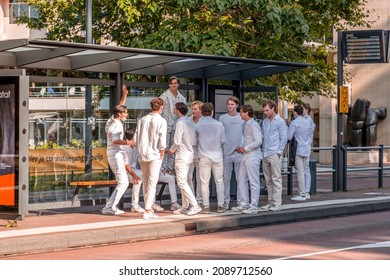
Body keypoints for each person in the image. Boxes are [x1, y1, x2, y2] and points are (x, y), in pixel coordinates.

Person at [134, 97, 167, 219]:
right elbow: (162, 138)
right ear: (161, 107)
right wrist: (162, 151)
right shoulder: (161, 121)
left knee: (146, 182)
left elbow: (137, 137)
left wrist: (139, 151)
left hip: (143, 153)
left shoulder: (142, 119)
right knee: (152, 182)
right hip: (155, 154)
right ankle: (148, 210)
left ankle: (147, 208)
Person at [102, 85, 133, 215]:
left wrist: (124, 95)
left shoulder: (112, 120)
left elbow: (119, 106)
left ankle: (109, 207)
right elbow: (115, 140)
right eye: (125, 112)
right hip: (115, 155)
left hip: (115, 154)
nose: (127, 114)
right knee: (123, 182)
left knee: (123, 182)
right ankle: (109, 207)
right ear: (120, 115)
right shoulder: (116, 125)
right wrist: (128, 142)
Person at [168, 102, 202, 215]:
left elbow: (177, 141)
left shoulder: (180, 123)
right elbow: (194, 140)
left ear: (177, 110)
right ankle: (185, 205)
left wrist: (171, 150)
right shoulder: (190, 121)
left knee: (181, 181)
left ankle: (194, 205)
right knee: (186, 180)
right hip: (190, 153)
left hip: (182, 154)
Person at [195, 102, 226, 213]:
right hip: (217, 155)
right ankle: (221, 205)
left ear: (202, 112)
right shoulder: (219, 124)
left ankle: (206, 206)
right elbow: (223, 140)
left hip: (203, 156)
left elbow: (195, 141)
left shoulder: (197, 125)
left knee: (204, 182)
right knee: (219, 181)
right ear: (212, 111)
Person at [233, 105, 263, 214]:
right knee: (242, 180)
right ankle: (244, 204)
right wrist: (241, 147)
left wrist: (244, 148)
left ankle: (253, 206)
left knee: (253, 181)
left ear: (246, 113)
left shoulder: (253, 125)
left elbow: (258, 140)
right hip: (246, 155)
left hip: (253, 156)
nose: (240, 114)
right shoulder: (246, 124)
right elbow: (247, 140)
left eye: (241, 112)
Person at [219, 96, 245, 210]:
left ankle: (240, 202)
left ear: (237, 105)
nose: (230, 106)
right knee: (226, 179)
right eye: (228, 104)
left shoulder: (241, 118)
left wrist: (243, 147)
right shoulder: (222, 118)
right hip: (226, 152)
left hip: (239, 153)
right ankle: (225, 201)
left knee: (240, 179)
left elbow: (245, 133)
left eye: (232, 104)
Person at [261, 100, 287, 212]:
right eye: (264, 111)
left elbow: (284, 138)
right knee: (268, 180)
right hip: (265, 153)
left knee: (276, 179)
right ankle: (270, 202)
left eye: (267, 110)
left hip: (274, 153)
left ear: (273, 109)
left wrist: (278, 152)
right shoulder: (265, 122)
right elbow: (263, 137)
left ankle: (277, 203)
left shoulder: (280, 122)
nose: (265, 112)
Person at [160, 76, 186, 174]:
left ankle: (170, 168)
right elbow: (161, 111)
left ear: (178, 84)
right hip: (166, 125)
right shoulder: (164, 96)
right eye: (172, 83)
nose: (174, 85)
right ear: (169, 85)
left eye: (175, 83)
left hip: (177, 125)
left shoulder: (182, 98)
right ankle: (163, 168)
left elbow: (184, 112)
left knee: (173, 146)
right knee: (165, 147)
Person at [288, 105, 312, 201]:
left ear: (295, 112)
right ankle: (306, 191)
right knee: (306, 170)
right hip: (307, 149)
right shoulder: (307, 122)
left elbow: (289, 136)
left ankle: (301, 194)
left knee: (300, 172)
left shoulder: (295, 122)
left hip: (298, 150)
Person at [123, 128, 144, 213]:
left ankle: (150, 202)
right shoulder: (125, 148)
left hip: (134, 170)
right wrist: (134, 175)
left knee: (147, 176)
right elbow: (126, 165)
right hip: (126, 172)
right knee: (139, 179)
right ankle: (134, 205)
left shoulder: (136, 146)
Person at [188, 100, 203, 206]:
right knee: (188, 176)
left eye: (195, 109)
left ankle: (199, 199)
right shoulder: (188, 120)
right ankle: (191, 198)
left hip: (200, 152)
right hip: (189, 152)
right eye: (192, 109)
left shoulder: (204, 122)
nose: (193, 111)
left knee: (200, 178)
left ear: (200, 110)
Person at [302, 103, 316, 199]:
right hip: (305, 147)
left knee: (305, 169)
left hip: (305, 147)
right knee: (304, 170)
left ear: (306, 110)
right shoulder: (307, 120)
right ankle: (305, 190)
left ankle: (306, 191)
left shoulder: (307, 120)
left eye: (302, 109)